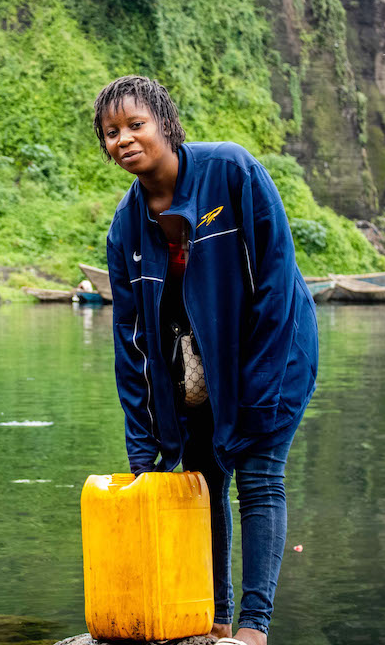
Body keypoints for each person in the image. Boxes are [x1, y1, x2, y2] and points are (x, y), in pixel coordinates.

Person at [93, 76, 318, 645]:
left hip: (274, 351)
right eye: (111, 133)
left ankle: (253, 628)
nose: (124, 139)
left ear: (166, 125)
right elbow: (132, 338)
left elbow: (275, 279)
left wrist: (259, 391)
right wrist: (144, 443)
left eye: (135, 125)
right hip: (193, 372)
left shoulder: (231, 170)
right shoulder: (126, 226)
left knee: (260, 477)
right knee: (202, 484)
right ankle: (214, 619)